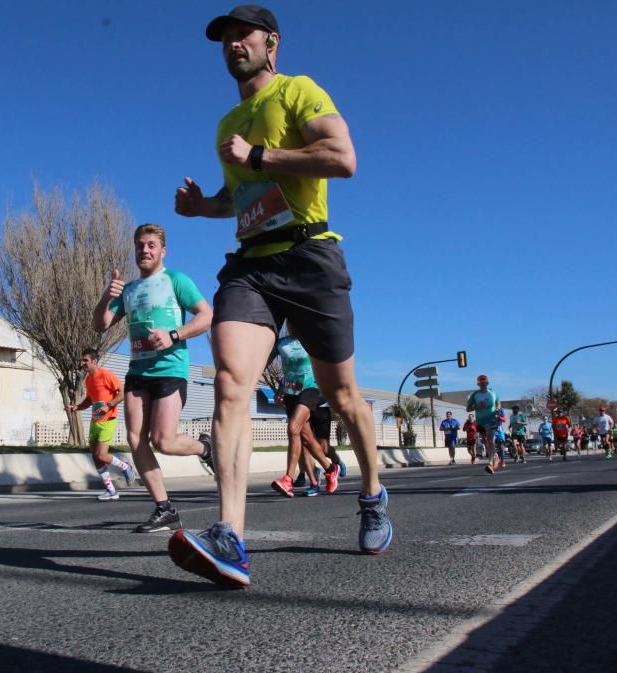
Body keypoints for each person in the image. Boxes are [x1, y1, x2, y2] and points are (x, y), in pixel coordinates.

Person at [168, 5, 391, 587]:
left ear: (272, 43)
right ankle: (231, 536)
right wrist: (203, 208)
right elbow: (239, 196)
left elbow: (342, 160)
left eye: (244, 35)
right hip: (251, 267)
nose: (233, 45)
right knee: (230, 384)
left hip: (311, 255)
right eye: (225, 39)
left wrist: (261, 155)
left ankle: (371, 493)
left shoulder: (299, 91)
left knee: (343, 397)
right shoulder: (226, 123)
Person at [93, 224, 214, 533]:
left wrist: (174, 335)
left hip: (170, 370)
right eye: (139, 246)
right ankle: (164, 508)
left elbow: (205, 315)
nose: (144, 250)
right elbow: (100, 324)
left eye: (150, 245)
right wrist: (107, 296)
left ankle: (205, 449)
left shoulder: (175, 280)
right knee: (136, 439)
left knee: (163, 440)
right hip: (138, 372)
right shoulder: (129, 289)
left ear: (162, 251)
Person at [269, 330, 340, 497]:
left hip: (311, 388)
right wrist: (280, 387)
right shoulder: (281, 343)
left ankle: (288, 479)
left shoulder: (313, 337)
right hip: (290, 392)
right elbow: (264, 363)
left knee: (293, 428)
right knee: (306, 438)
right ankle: (330, 469)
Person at [65, 349, 133, 501]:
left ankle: (125, 467)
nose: (82, 363)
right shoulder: (88, 379)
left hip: (108, 421)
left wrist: (108, 405)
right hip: (95, 422)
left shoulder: (106, 374)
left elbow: (122, 392)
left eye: (85, 361)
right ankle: (111, 491)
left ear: (94, 361)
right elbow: (89, 400)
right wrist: (76, 407)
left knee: (101, 454)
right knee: (96, 457)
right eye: (82, 360)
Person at [466, 374, 502, 473]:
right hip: (480, 421)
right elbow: (468, 409)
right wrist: (476, 406)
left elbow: (498, 404)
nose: (482, 384)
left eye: (484, 383)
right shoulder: (475, 395)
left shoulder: (493, 393)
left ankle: (490, 463)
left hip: (491, 420)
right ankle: (495, 456)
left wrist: (498, 409)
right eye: (481, 383)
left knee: (490, 440)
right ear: (478, 384)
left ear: (487, 383)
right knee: (486, 442)